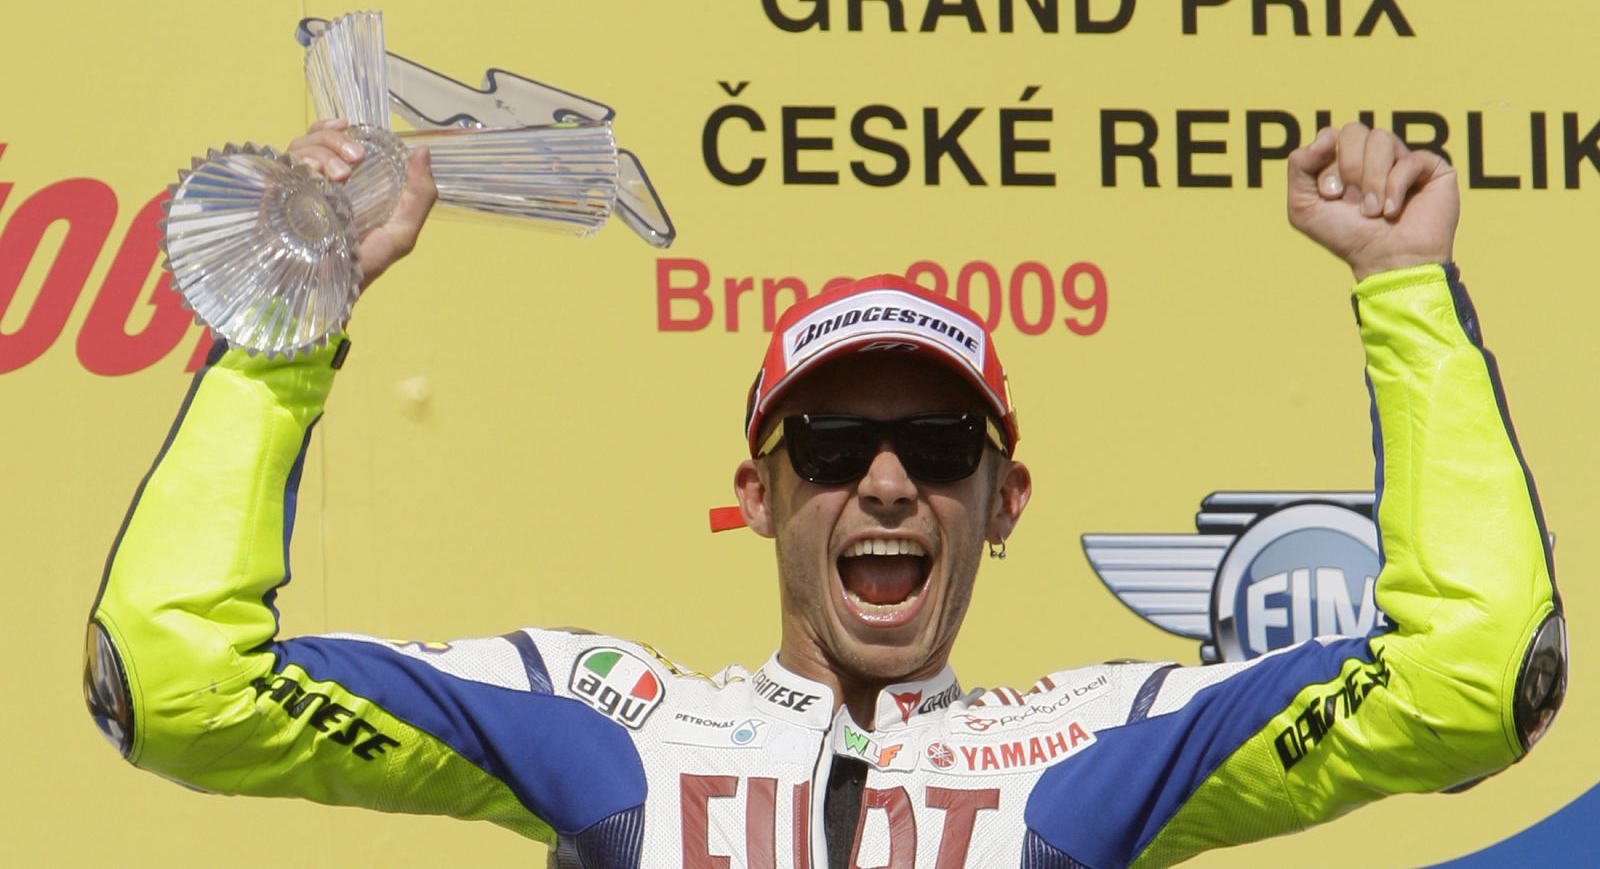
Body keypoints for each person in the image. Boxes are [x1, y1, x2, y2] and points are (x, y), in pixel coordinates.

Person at [85, 120, 1564, 869]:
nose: (885, 482)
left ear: (1003, 500)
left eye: (937, 452)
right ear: (759, 485)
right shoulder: (608, 718)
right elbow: (168, 681)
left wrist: (1404, 288)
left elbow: (1478, 677)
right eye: (836, 439)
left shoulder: (1104, 743)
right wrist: (293, 311)